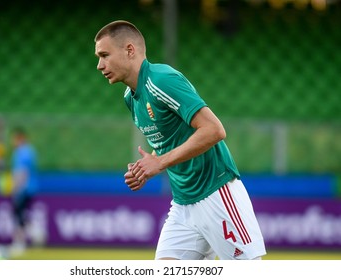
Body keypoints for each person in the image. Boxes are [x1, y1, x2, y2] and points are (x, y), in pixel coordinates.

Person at [94, 20, 266, 260]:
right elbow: (168, 140)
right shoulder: (130, 98)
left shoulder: (161, 80)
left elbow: (214, 130)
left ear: (130, 50)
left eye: (104, 55)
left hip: (216, 192)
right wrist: (147, 166)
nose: (100, 65)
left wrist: (160, 162)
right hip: (184, 204)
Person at [9, 127, 38, 255]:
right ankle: (35, 232)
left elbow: (22, 172)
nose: (13, 142)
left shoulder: (23, 152)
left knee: (19, 214)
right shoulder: (28, 151)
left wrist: (16, 188)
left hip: (24, 188)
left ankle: (20, 243)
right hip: (29, 187)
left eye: (15, 139)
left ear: (20, 139)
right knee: (21, 214)